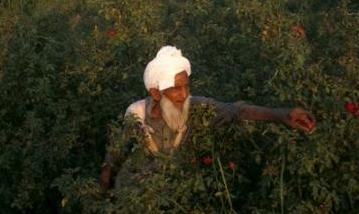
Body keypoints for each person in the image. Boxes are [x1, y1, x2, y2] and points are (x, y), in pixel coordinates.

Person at [99, 46, 316, 189]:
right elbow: (115, 153)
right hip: (134, 189)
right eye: (175, 88)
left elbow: (236, 111)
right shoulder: (135, 113)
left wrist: (282, 115)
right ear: (156, 92)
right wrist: (102, 192)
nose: (183, 95)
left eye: (186, 86)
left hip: (176, 191)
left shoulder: (196, 107)